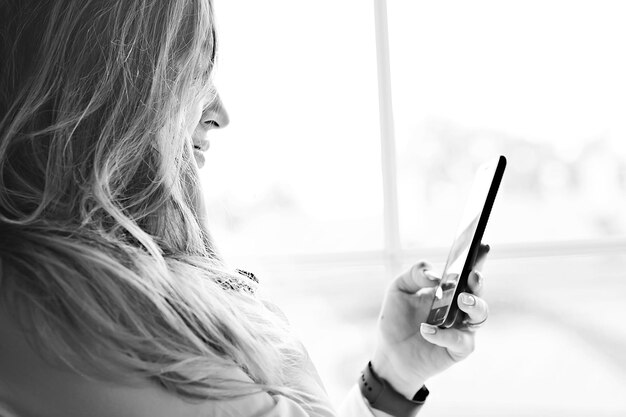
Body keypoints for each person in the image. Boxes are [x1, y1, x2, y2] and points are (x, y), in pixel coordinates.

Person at [0, 1, 490, 416]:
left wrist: (392, 373)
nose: (221, 114)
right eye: (191, 73)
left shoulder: (92, 301)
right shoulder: (73, 316)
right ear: (108, 94)